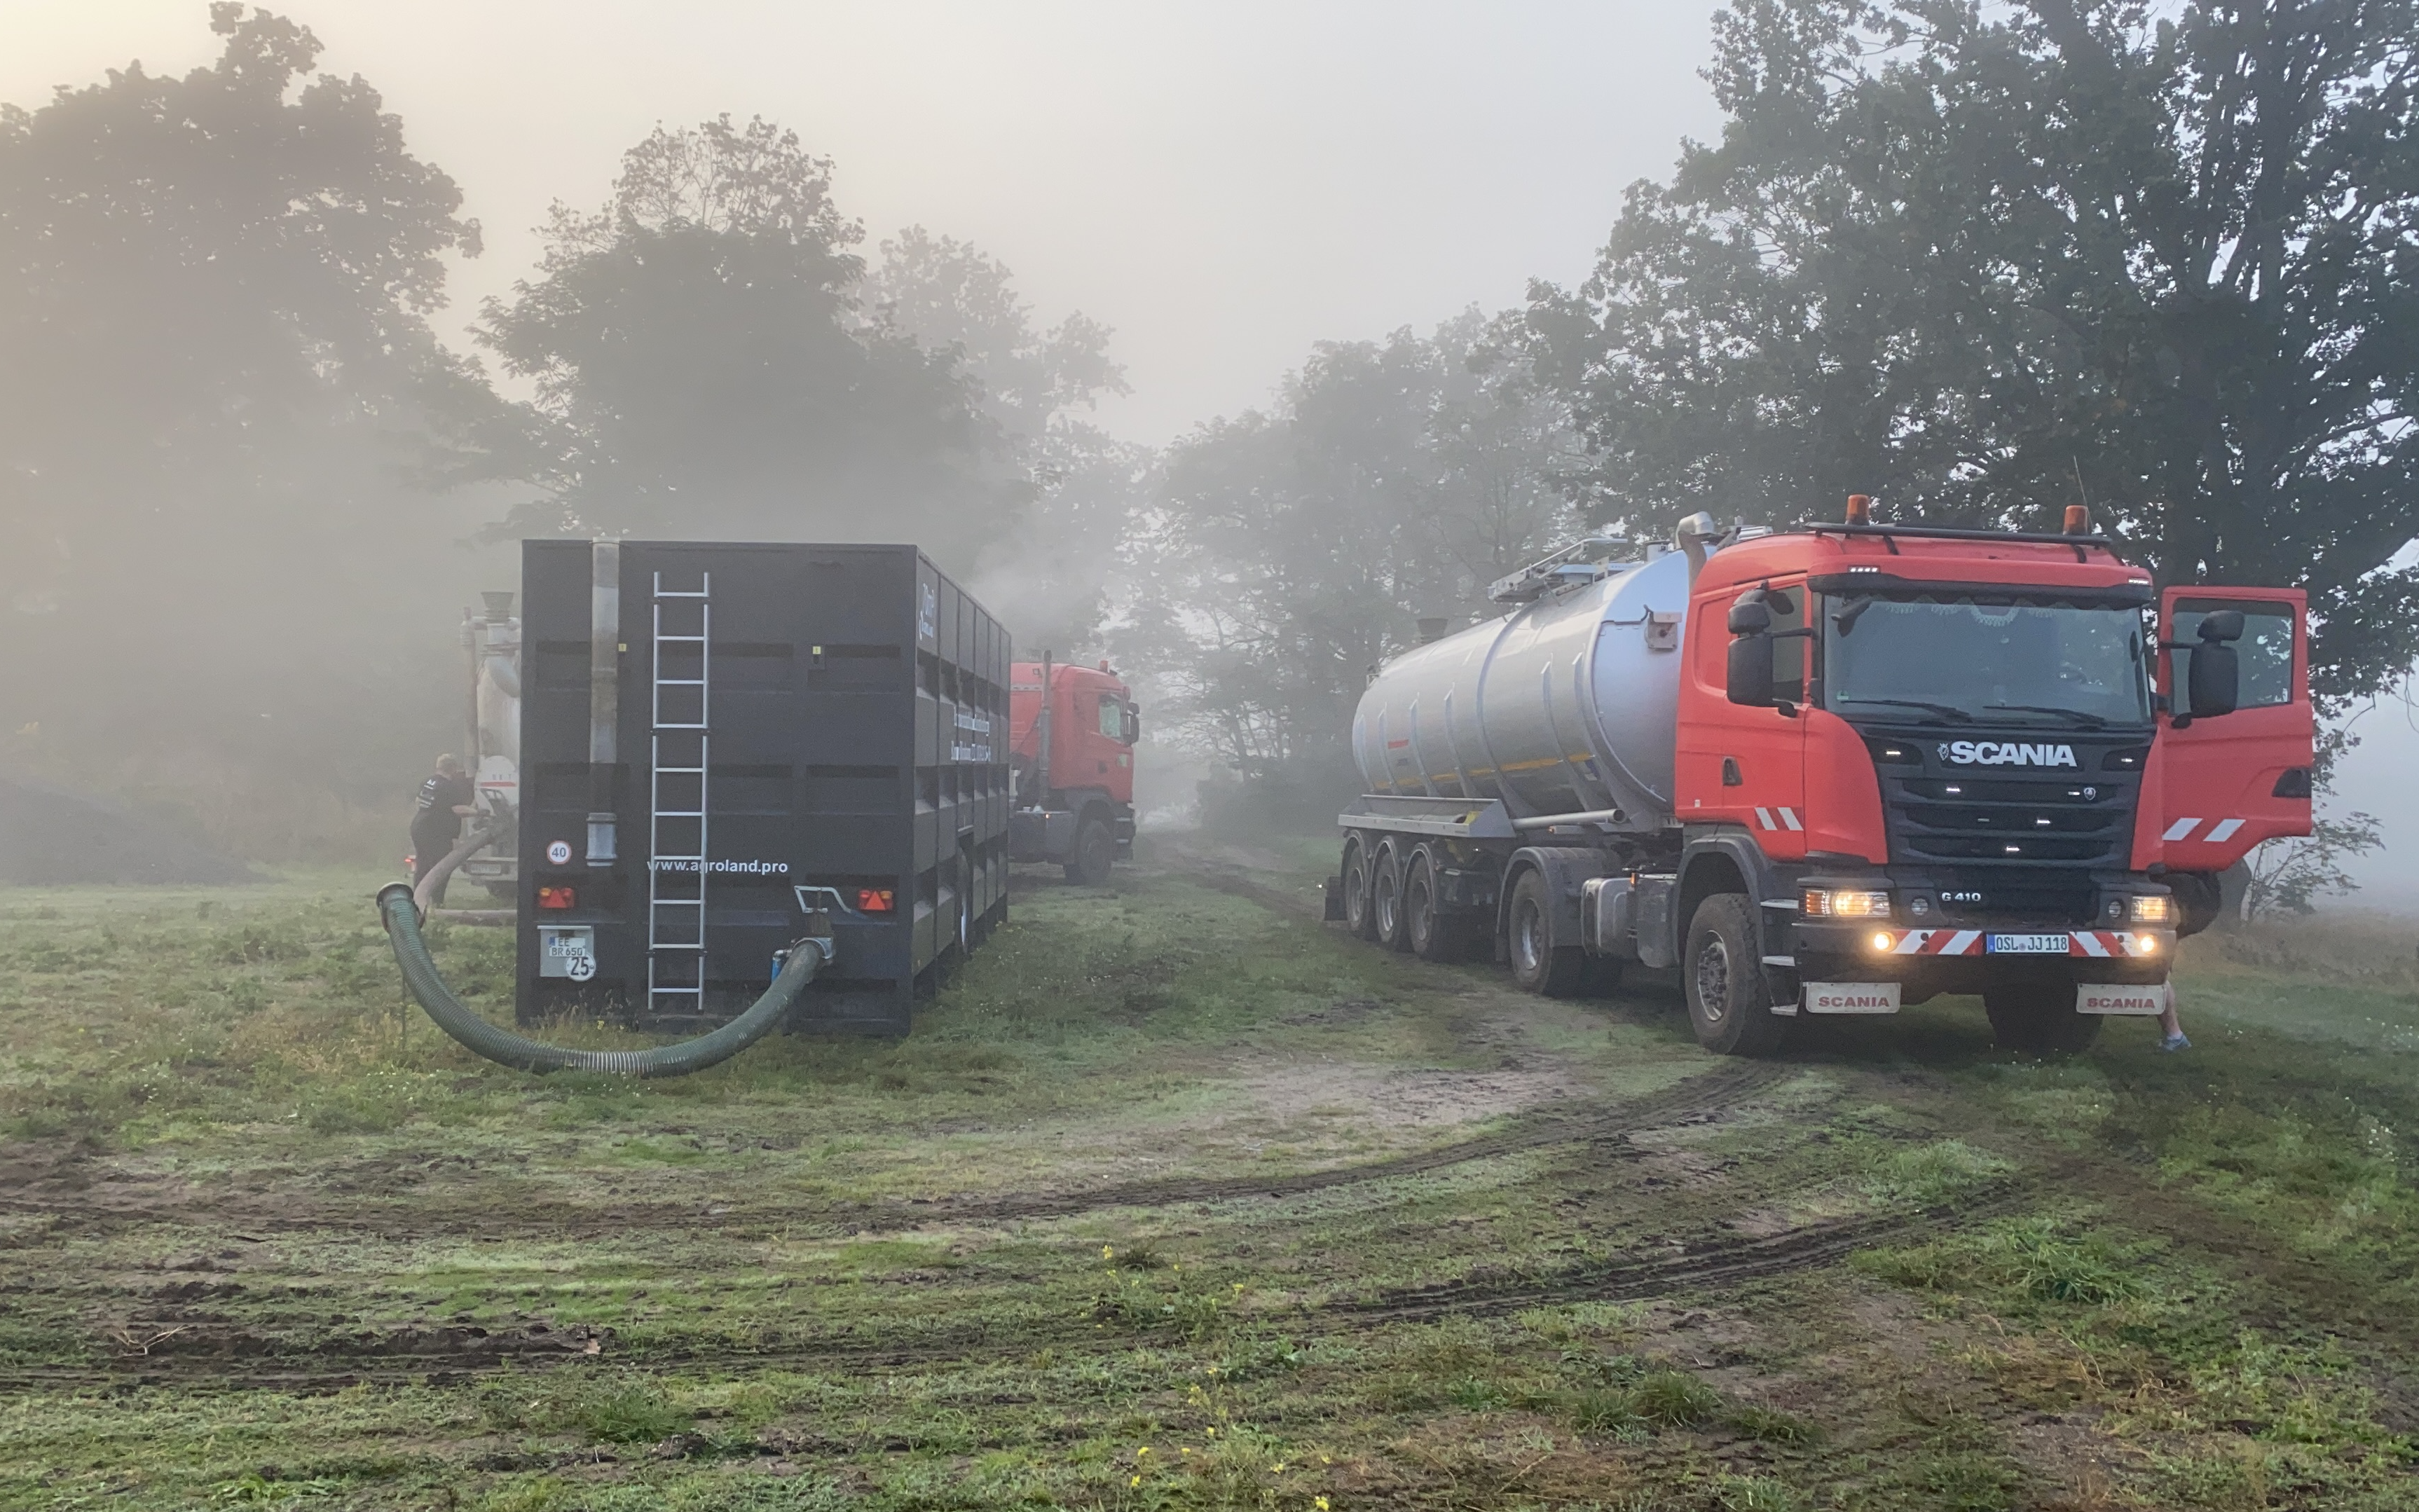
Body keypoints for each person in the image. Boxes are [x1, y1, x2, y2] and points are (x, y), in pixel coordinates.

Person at [410, 755, 477, 904]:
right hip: (436, 833)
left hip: (418, 827)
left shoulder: (427, 781)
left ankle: (418, 900)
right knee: (441, 868)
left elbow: (418, 801)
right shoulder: (448, 786)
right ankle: (437, 901)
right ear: (452, 769)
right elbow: (457, 809)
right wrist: (478, 812)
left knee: (423, 864)